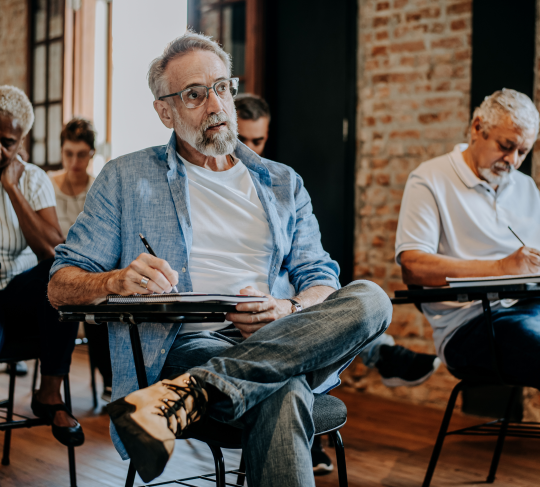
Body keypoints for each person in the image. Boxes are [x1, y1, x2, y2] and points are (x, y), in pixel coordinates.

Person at [47, 32, 393, 486]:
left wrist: (288, 309)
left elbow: (320, 276)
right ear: (164, 111)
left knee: (372, 299)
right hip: (189, 346)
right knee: (283, 388)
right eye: (194, 94)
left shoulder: (282, 183)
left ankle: (193, 393)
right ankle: (199, 383)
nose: (214, 105)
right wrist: (114, 281)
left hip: (288, 333)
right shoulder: (126, 178)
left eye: (222, 87)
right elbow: (59, 285)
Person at [236, 92, 441, 475]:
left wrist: (302, 299)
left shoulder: (284, 186)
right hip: (243, 311)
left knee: (360, 297)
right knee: (303, 326)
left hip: (287, 305)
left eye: (257, 141)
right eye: (241, 139)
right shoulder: (216, 192)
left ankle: (376, 354)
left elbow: (316, 268)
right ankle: (380, 355)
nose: (250, 150)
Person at [0, 86, 83, 487]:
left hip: (18, 292)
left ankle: (49, 392)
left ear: (21, 144)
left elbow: (53, 249)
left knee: (64, 277)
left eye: (7, 141)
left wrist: (12, 189)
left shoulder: (31, 180)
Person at [395, 88, 540, 388]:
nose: (512, 160)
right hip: (470, 324)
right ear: (477, 128)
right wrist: (502, 268)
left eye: (523, 152)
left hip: (532, 308)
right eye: (506, 145)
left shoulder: (526, 188)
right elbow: (413, 267)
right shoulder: (430, 179)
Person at [49, 118, 113, 402]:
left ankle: (111, 380)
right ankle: (51, 381)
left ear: (91, 154)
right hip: (51, 262)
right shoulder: (47, 184)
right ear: (62, 152)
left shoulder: (100, 188)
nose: (75, 161)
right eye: (69, 153)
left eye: (81, 154)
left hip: (90, 266)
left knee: (97, 300)